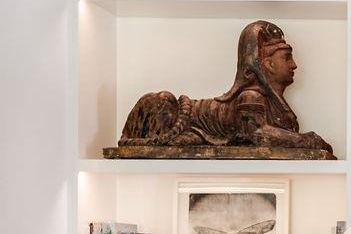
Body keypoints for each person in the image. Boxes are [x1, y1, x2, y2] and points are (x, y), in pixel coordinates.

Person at [118, 20, 331, 153]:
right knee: (163, 99)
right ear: (268, 64)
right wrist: (308, 140)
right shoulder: (251, 96)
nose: (294, 65)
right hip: (179, 116)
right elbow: (259, 134)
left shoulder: (267, 102)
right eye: (287, 58)